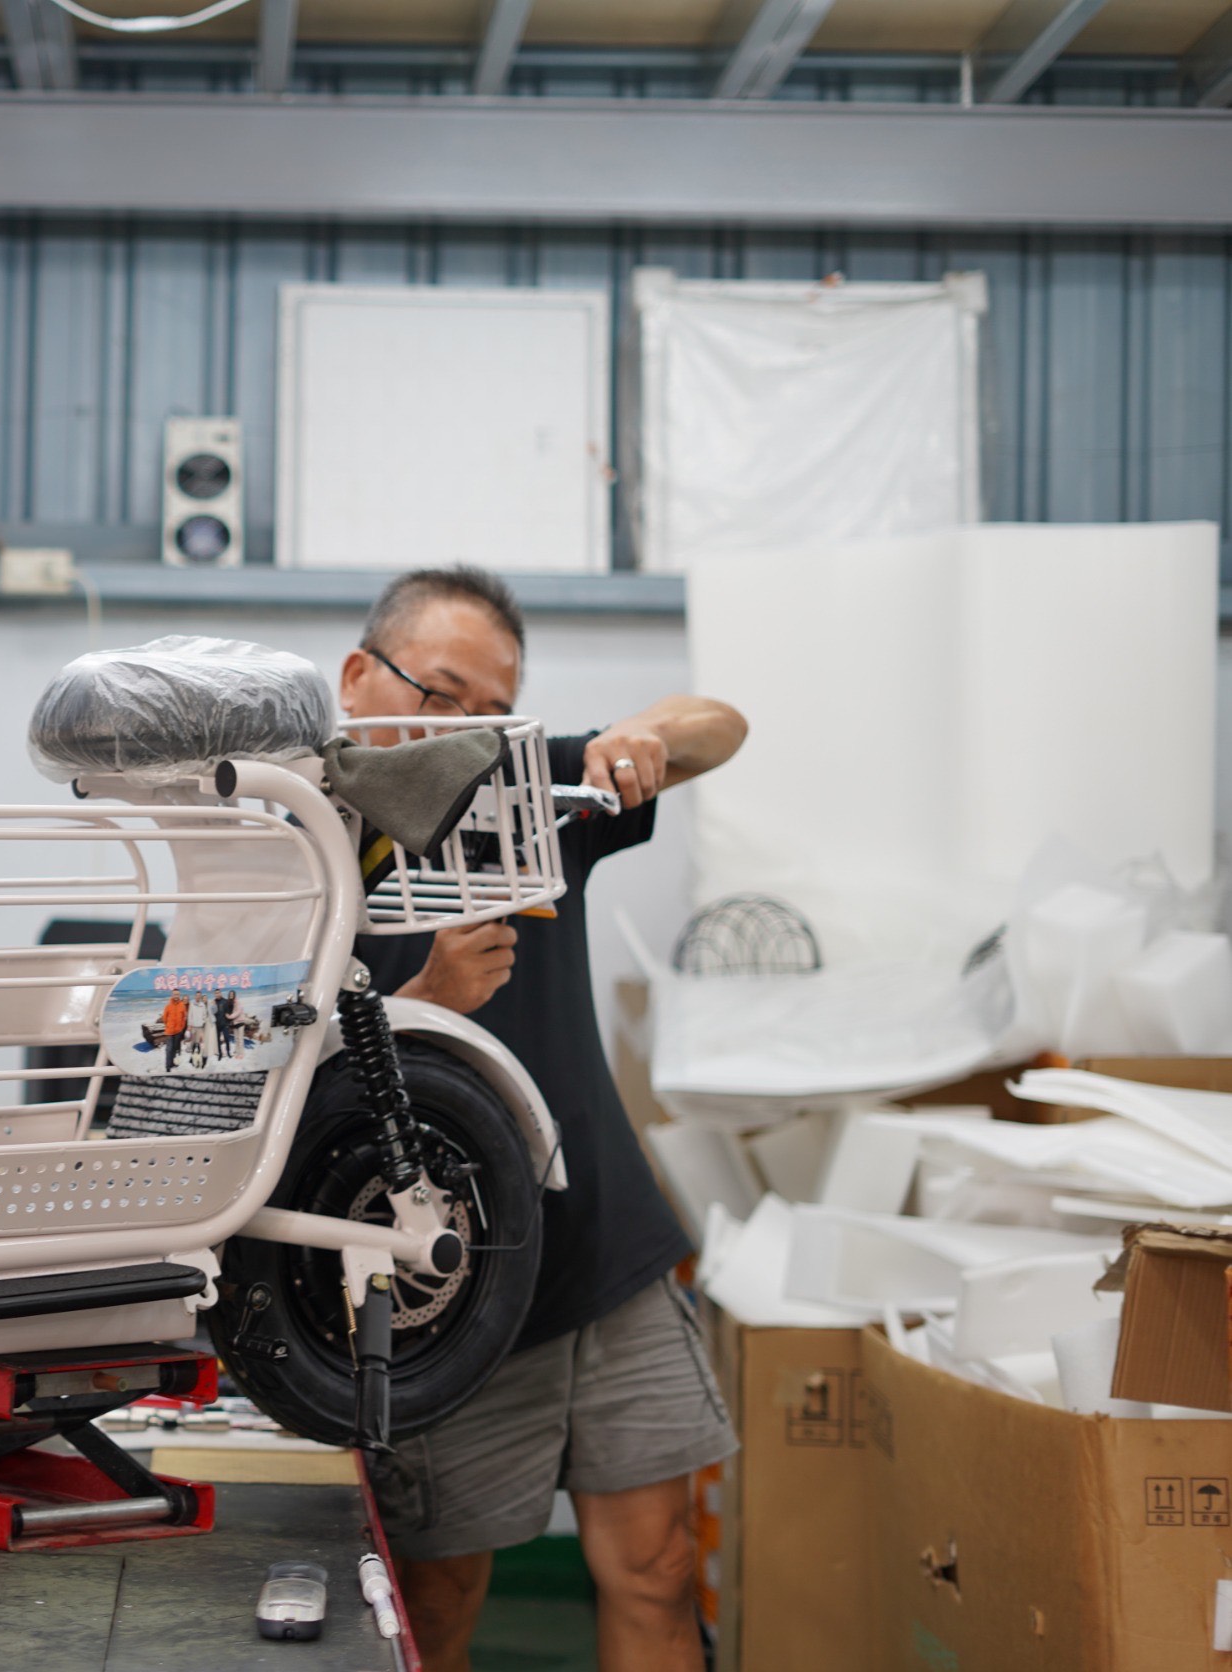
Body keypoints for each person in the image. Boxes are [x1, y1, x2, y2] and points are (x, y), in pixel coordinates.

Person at [339, 566, 748, 1672]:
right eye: (440, 693)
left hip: (604, 1256)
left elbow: (721, 724)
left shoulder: (530, 795)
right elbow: (278, 1083)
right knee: (437, 1601)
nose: (464, 732)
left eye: (494, 710)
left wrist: (640, 736)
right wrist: (424, 1000)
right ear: (358, 677)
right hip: (443, 1292)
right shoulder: (300, 851)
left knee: (658, 1566)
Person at [160, 990, 189, 1071]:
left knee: (175, 1048)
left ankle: (172, 1063)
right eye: (175, 994)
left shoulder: (182, 1005)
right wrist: (168, 1026)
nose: (176, 996)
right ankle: (168, 1066)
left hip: (178, 1031)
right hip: (169, 1031)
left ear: (179, 995)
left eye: (177, 994)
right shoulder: (168, 1006)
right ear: (172, 995)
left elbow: (184, 1017)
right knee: (169, 1049)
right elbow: (164, 1018)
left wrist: (181, 1027)